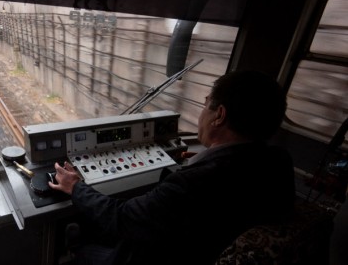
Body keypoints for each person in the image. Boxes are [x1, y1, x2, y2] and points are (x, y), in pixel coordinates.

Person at [49, 70, 296, 265]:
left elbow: (122, 218)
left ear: (219, 115)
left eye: (206, 103)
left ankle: (75, 249)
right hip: (209, 246)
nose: (202, 113)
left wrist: (76, 187)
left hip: (168, 255)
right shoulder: (278, 163)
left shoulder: (194, 183)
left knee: (85, 245)